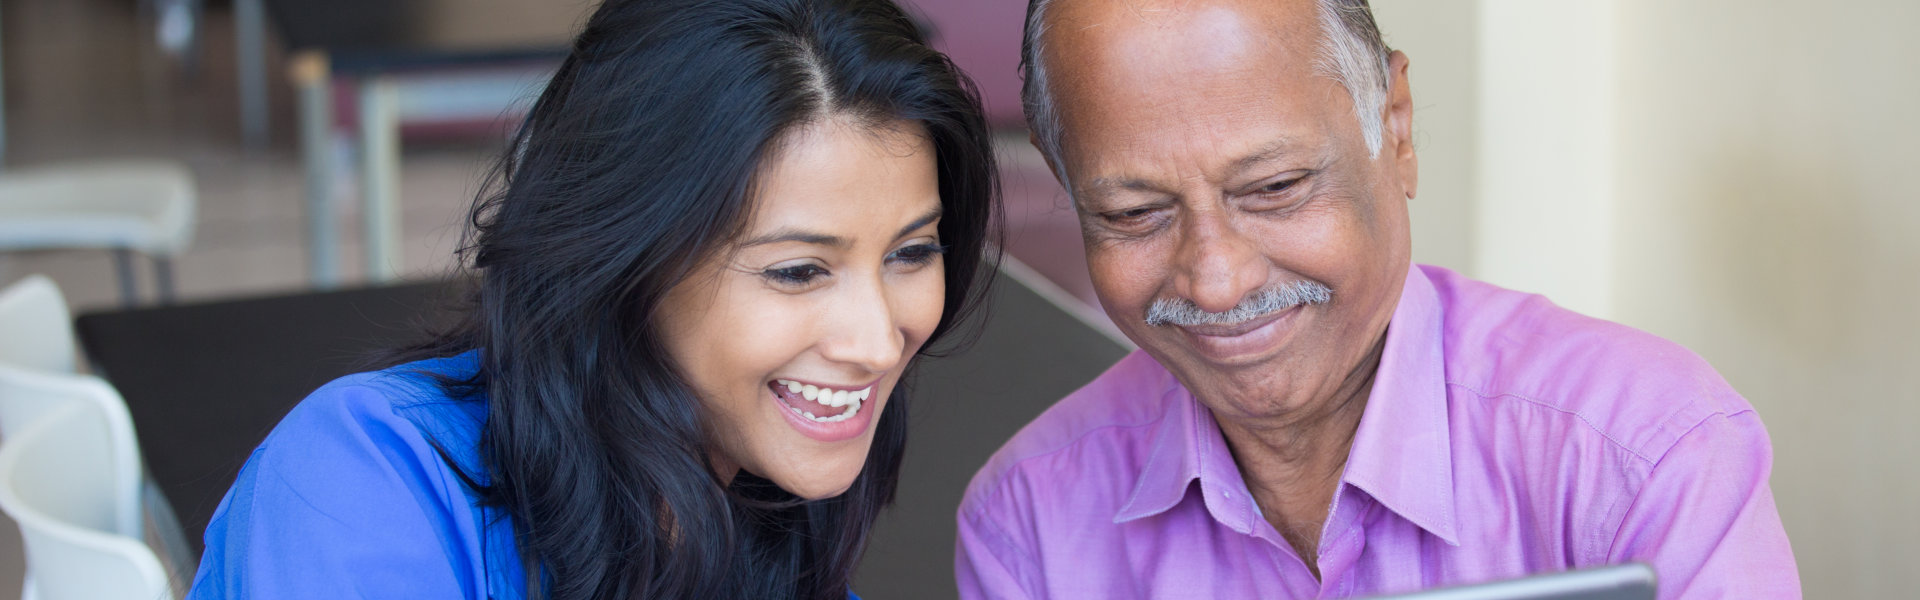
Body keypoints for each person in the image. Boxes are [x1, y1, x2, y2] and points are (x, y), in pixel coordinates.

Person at [955, 0, 1798, 598]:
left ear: (1394, 126)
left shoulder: (1642, 455)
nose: (1216, 280)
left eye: (1277, 187)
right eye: (1133, 213)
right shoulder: (1030, 521)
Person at [185, 0, 998, 598]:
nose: (877, 341)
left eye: (911, 252)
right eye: (796, 271)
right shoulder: (362, 482)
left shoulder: (762, 520)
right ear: (624, 256)